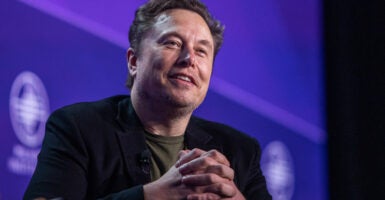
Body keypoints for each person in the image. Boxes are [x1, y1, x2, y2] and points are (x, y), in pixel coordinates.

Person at [24, 0, 272, 199]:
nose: (189, 59)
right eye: (173, 43)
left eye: (201, 51)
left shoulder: (240, 151)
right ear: (134, 61)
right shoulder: (78, 127)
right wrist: (154, 194)